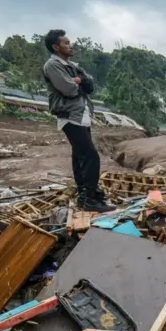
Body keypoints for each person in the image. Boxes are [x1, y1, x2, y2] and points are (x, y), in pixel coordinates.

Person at [43, 29, 113, 213]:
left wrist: (78, 80)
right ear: (56, 47)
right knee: (90, 156)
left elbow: (89, 85)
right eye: (66, 43)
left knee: (79, 156)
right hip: (69, 115)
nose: (70, 45)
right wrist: (78, 82)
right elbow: (68, 89)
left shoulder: (71, 65)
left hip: (81, 114)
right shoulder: (52, 65)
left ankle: (84, 194)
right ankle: (90, 198)